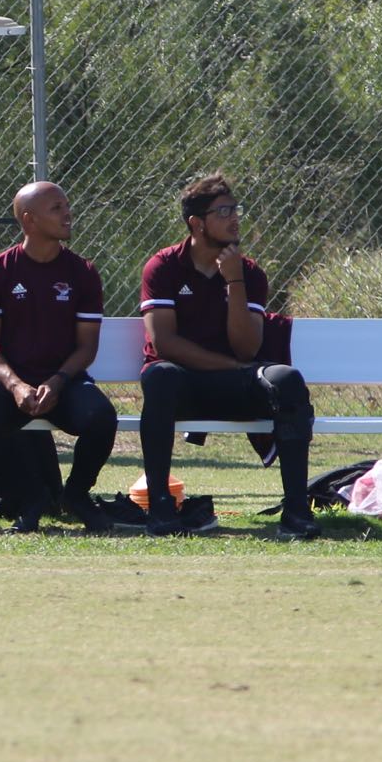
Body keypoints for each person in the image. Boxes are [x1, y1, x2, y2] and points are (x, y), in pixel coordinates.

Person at [136, 173, 317, 539]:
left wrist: (234, 281)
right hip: (185, 386)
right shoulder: (163, 267)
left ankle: (297, 512)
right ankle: (161, 509)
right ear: (196, 224)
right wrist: (232, 367)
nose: (235, 218)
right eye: (223, 212)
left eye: (236, 209)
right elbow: (165, 343)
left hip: (235, 384)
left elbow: (247, 348)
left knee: (287, 381)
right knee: (159, 376)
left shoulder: (248, 273)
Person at [0, 181, 118, 533]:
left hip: (64, 381)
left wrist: (59, 380)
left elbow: (87, 347)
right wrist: (15, 385)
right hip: (11, 384)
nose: (68, 214)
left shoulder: (83, 273)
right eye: (57, 208)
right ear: (29, 220)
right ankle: (32, 495)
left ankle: (76, 495)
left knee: (101, 417)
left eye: (66, 205)